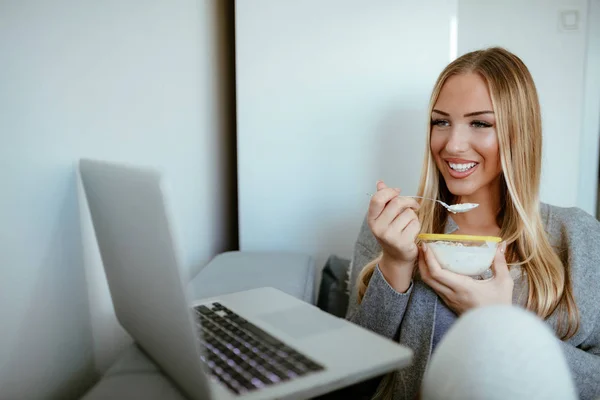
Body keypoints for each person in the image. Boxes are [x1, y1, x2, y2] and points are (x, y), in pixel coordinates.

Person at [345, 47, 600, 400]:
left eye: (480, 123)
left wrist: (501, 320)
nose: (453, 144)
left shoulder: (578, 235)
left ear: (518, 133)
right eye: (441, 121)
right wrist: (394, 265)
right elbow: (351, 377)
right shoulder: (396, 228)